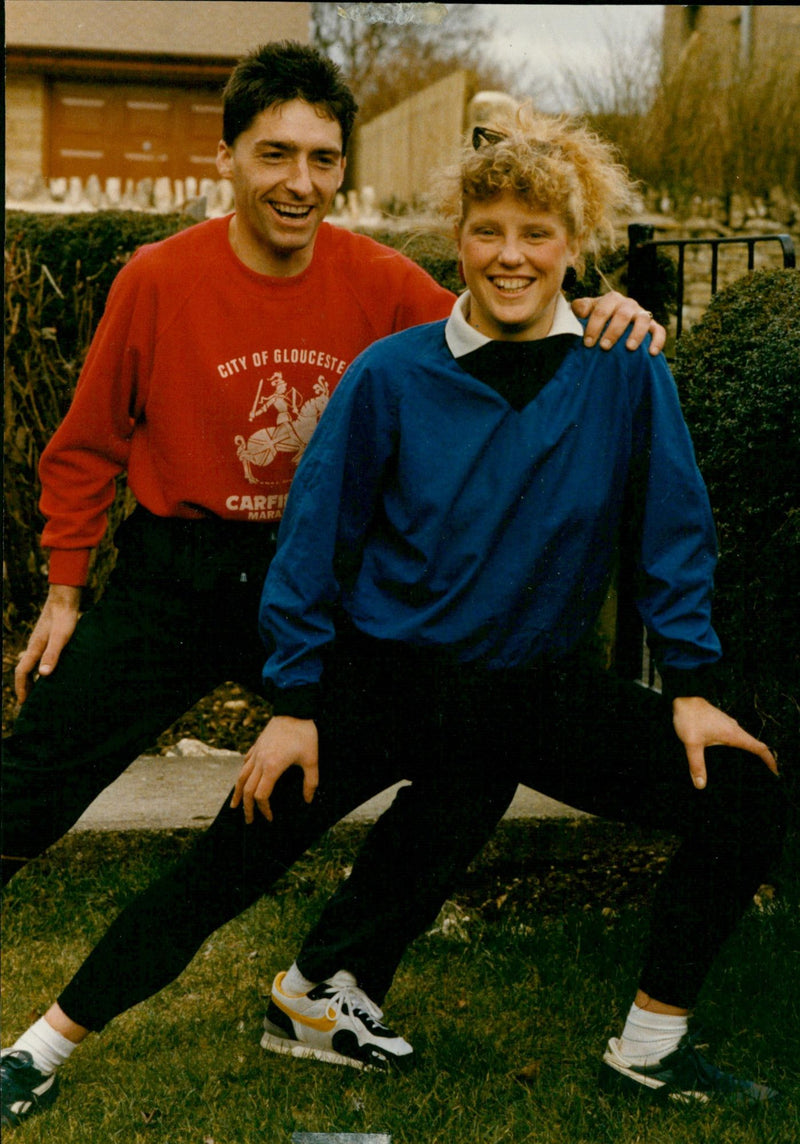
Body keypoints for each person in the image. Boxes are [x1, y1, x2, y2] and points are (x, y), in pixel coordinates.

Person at [0, 40, 664, 1127]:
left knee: (463, 742)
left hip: (310, 585)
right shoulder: (158, 279)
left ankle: (328, 985)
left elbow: (506, 294)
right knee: (29, 786)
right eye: (274, 154)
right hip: (180, 574)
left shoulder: (378, 283)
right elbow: (83, 451)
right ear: (227, 158)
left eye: (321, 158)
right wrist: (67, 592)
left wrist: (604, 308)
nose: (298, 182)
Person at [226, 106, 785, 1105]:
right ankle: (313, 991)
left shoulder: (624, 363)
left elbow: (671, 532)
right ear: (457, 238)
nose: (512, 252)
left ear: (573, 246)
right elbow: (316, 539)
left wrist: (693, 689)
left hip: (544, 687)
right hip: (423, 675)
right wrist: (295, 691)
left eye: (538, 233)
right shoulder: (401, 374)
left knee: (740, 795)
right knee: (452, 787)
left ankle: (649, 1046)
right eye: (488, 230)